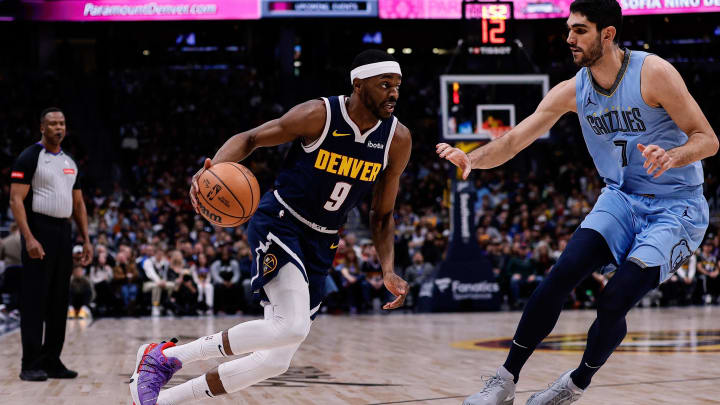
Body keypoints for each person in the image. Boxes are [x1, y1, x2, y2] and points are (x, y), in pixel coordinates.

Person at [436, 0, 718, 403]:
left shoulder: (653, 73)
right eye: (568, 28)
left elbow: (708, 139)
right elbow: (515, 140)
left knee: (613, 301)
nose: (569, 37)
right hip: (621, 199)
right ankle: (504, 381)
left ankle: (574, 384)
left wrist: (674, 156)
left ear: (608, 34)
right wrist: (473, 159)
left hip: (677, 206)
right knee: (560, 275)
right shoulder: (573, 89)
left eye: (580, 29)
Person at [129, 49, 411, 405]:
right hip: (281, 221)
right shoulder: (320, 115)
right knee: (291, 327)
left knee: (276, 359)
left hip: (323, 241)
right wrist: (210, 171)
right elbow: (250, 138)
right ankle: (165, 357)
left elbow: (383, 215)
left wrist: (388, 269)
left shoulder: (397, 139)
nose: (394, 93)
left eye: (398, 85)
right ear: (358, 84)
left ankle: (158, 402)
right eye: (385, 84)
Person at [9, 107, 93, 381]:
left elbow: (79, 204)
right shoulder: (30, 156)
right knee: (35, 299)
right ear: (42, 128)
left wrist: (86, 239)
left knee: (59, 300)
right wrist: (29, 237)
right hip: (39, 228)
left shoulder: (69, 161)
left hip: (63, 231)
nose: (59, 128)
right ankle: (30, 364)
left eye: (62, 123)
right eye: (53, 124)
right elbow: (16, 200)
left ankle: (52, 360)